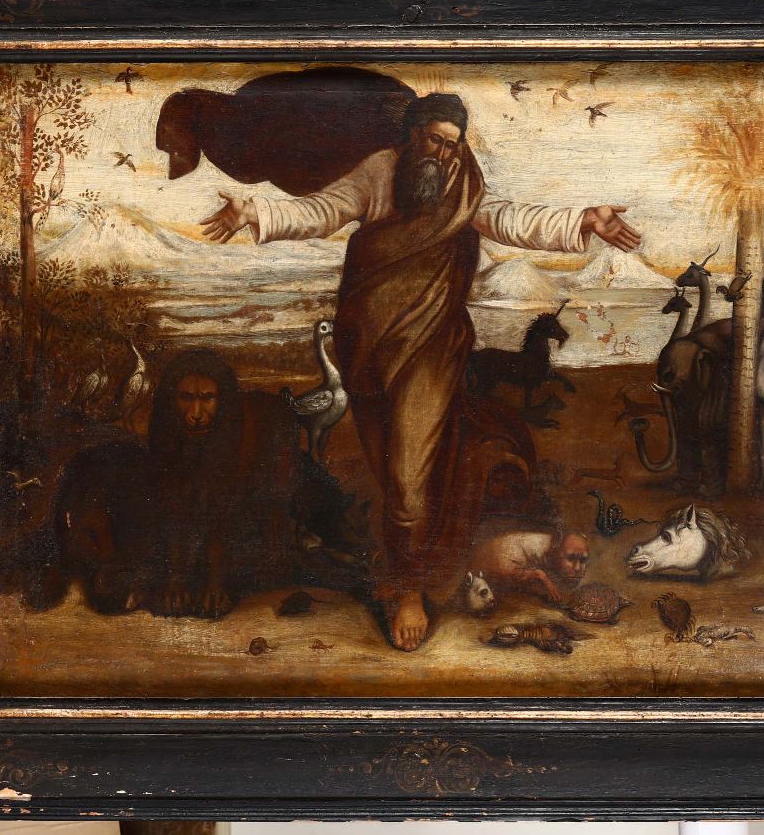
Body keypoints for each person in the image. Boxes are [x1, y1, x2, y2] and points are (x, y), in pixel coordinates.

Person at [199, 92, 639, 650]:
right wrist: (256, 212)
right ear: (412, 135)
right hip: (369, 351)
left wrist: (582, 220)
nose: (445, 155)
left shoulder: (464, 186)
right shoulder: (379, 173)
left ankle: (409, 587)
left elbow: (510, 219)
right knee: (392, 469)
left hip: (431, 352)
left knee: (409, 475)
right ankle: (402, 568)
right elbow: (322, 210)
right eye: (435, 140)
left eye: (454, 145)